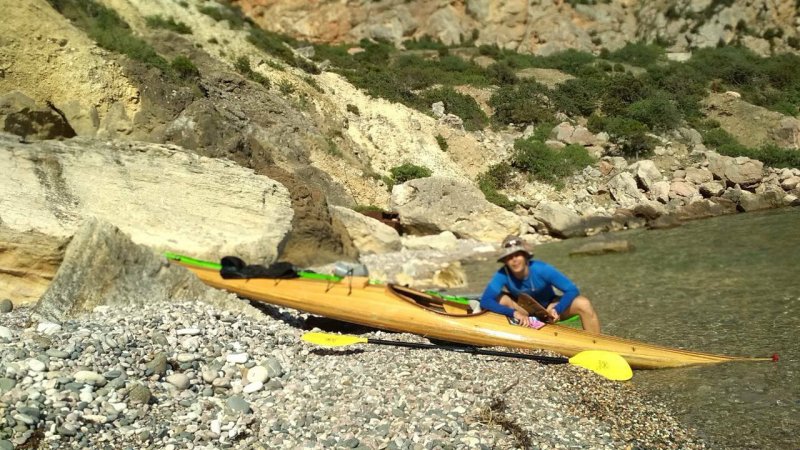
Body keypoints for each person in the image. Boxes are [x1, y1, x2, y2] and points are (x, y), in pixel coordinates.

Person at [480, 235, 601, 333]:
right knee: (501, 299)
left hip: (550, 308)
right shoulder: (502, 274)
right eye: (509, 257)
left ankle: (596, 343)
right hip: (523, 310)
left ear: (525, 256)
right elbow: (485, 300)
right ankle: (507, 333)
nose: (514, 260)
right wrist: (514, 313)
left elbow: (572, 290)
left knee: (583, 303)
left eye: (517, 255)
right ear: (505, 261)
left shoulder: (542, 269)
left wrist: (558, 309)